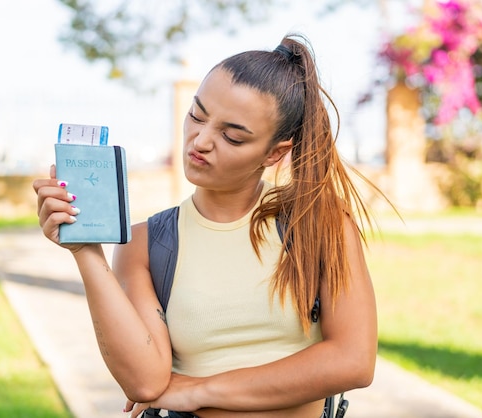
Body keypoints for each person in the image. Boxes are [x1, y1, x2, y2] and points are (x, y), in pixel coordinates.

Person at [33, 33, 378, 418]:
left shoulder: (319, 224)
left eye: (231, 135)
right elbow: (144, 383)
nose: (201, 140)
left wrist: (200, 389)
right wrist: (85, 250)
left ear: (274, 153)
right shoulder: (146, 243)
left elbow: (353, 361)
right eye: (196, 115)